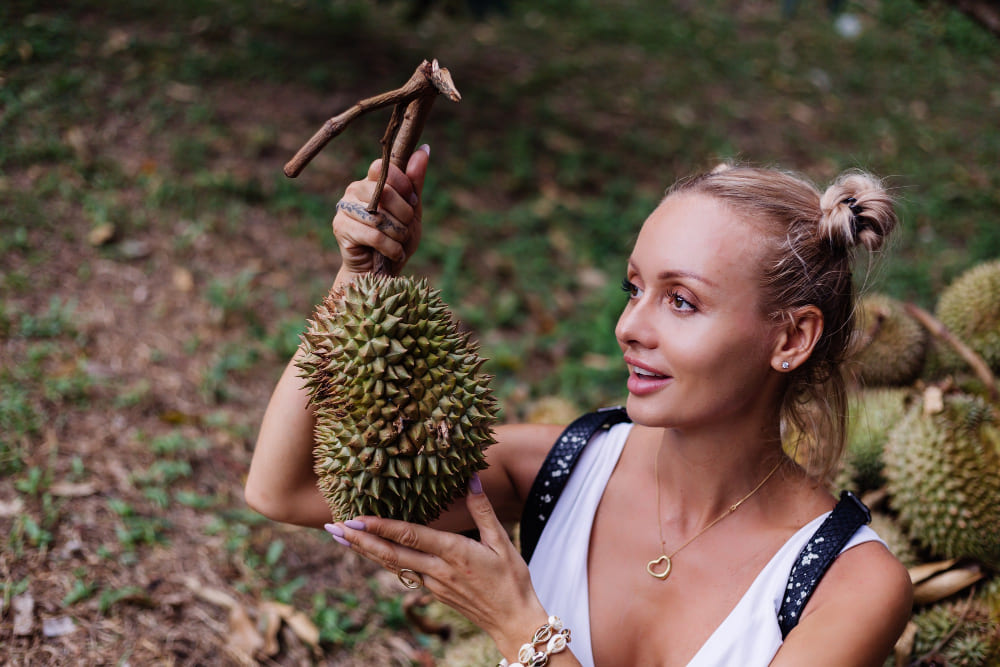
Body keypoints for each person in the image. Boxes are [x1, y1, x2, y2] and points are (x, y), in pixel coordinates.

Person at [245, 144, 914, 666]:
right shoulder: (563, 468)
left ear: (791, 337)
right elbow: (287, 487)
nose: (629, 327)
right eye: (634, 288)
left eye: (681, 300)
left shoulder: (848, 586)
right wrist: (359, 282)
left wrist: (520, 625)